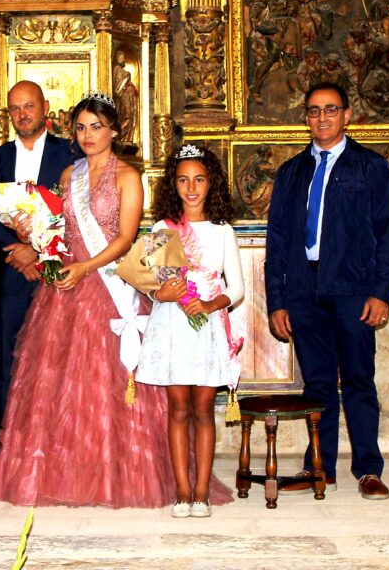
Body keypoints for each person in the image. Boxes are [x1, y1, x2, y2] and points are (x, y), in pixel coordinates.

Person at [0, 94, 201, 508]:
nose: (89, 135)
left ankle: (118, 475)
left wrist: (86, 268)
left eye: (97, 127)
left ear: (114, 131)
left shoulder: (128, 175)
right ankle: (67, 477)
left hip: (108, 284)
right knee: (61, 386)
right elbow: (56, 227)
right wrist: (30, 232)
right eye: (82, 127)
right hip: (65, 287)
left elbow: (125, 238)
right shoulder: (69, 174)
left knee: (110, 380)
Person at [265, 82, 389, 500]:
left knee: (359, 380)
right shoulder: (291, 172)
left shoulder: (370, 167)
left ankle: (368, 470)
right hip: (304, 290)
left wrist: (381, 293)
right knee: (319, 384)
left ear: (347, 115)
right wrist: (278, 301)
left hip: (354, 289)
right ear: (305, 117)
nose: (321, 117)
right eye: (313, 110)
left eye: (330, 109)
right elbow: (278, 240)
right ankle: (318, 466)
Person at [135, 143, 242, 518]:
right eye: (183, 180)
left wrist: (212, 304)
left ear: (210, 183)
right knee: (177, 409)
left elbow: (238, 289)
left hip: (207, 325)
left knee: (202, 410)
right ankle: (181, 491)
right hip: (172, 324)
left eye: (199, 179)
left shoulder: (222, 230)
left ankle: (202, 493)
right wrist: (158, 292)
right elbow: (152, 280)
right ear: (173, 185)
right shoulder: (164, 228)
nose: (191, 188)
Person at [0, 80, 77, 437]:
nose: (22, 114)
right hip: (9, 274)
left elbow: (78, 211)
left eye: (29, 106)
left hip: (58, 273)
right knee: (10, 358)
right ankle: (7, 434)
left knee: (59, 359)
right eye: (15, 108)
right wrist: (17, 250)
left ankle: (58, 435)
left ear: (45, 107)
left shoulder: (71, 154)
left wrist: (38, 249)